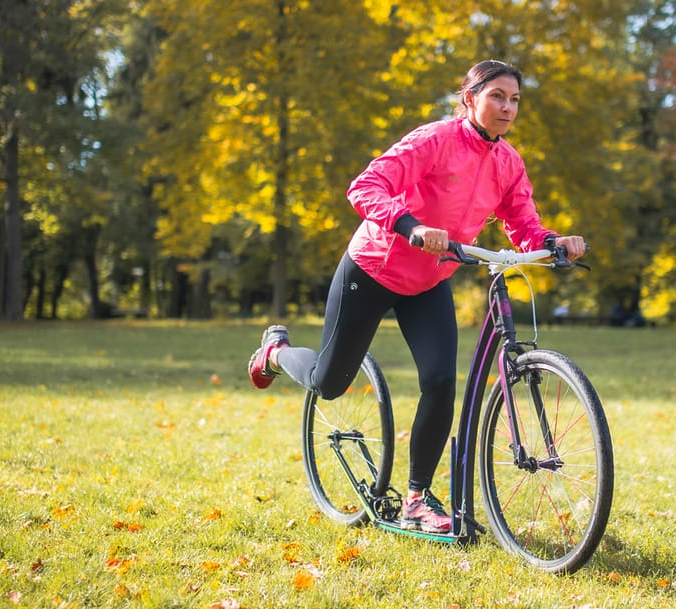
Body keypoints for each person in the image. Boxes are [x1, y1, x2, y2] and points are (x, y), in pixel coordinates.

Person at [248, 60, 586, 533]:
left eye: (514, 100)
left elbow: (523, 225)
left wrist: (552, 243)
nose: (507, 108)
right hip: (373, 268)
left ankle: (416, 498)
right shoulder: (434, 140)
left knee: (440, 382)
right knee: (328, 383)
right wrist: (411, 225)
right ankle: (277, 352)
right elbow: (365, 186)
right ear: (470, 98)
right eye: (497, 97)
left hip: (429, 282)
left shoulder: (509, 162)